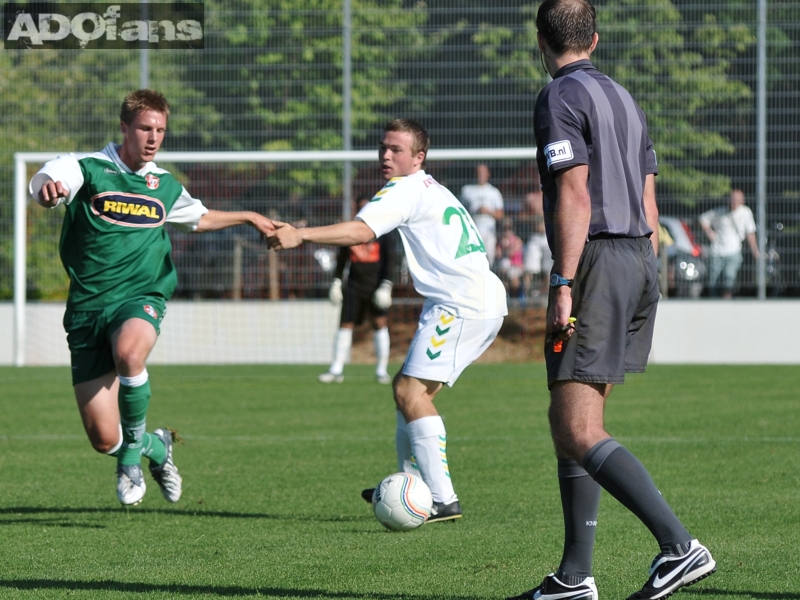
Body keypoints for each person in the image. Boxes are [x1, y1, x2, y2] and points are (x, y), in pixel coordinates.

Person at [505, 3, 716, 600]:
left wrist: (563, 282)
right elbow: (649, 200)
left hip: (595, 261)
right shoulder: (624, 98)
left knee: (577, 426)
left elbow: (574, 191)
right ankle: (574, 578)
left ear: (540, 41)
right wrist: (642, 275)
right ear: (594, 39)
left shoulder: (558, 97)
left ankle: (679, 547)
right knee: (572, 423)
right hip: (638, 259)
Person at [29, 89, 275, 507]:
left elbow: (197, 218)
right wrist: (46, 190)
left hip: (142, 296)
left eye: (160, 129)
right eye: (145, 128)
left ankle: (130, 461)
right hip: (88, 308)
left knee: (130, 353)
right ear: (124, 127)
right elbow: (47, 179)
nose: (153, 137)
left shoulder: (164, 185)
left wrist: (250, 217)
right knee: (103, 438)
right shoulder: (86, 169)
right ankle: (156, 448)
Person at [268, 118, 508, 523]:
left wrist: (301, 235)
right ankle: (410, 485)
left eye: (396, 150)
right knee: (408, 392)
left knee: (410, 392)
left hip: (461, 303)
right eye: (383, 148)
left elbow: (361, 232)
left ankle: (441, 499)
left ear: (419, 157)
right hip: (471, 298)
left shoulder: (405, 187)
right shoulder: (431, 186)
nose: (385, 155)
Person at [319, 195, 399, 385]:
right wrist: (337, 282)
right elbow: (342, 258)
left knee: (380, 324)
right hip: (354, 286)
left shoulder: (384, 231)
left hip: (376, 286)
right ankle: (336, 370)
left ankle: (381, 371)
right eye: (360, 208)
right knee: (345, 325)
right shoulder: (351, 231)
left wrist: (387, 284)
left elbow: (391, 259)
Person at [699, 189, 759, 298]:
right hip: (717, 252)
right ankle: (714, 305)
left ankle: (727, 302)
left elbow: (750, 233)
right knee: (713, 282)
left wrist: (754, 249)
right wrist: (710, 233)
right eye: (732, 199)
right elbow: (703, 219)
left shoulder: (746, 213)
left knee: (729, 278)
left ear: (742, 201)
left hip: (734, 251)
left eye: (737, 200)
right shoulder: (719, 212)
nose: (734, 202)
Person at [460, 163, 504, 269]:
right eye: (478, 172)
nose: (480, 175)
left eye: (483, 172)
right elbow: (461, 211)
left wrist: (488, 212)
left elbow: (501, 214)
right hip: (471, 233)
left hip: (489, 233)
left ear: (488, 174)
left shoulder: (494, 192)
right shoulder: (467, 190)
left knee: (489, 261)